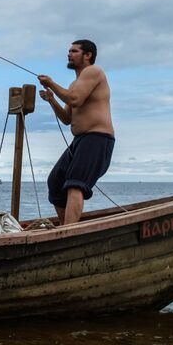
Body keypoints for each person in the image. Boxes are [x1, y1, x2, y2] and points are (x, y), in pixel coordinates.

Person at [38, 39, 115, 226]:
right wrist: (52, 100)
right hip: (80, 140)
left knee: (75, 183)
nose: (69, 54)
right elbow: (66, 118)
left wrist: (52, 84)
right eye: (69, 51)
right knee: (55, 182)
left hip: (97, 138)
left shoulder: (93, 72)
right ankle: (66, 228)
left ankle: (68, 232)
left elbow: (75, 99)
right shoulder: (74, 84)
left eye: (74, 51)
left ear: (87, 55)